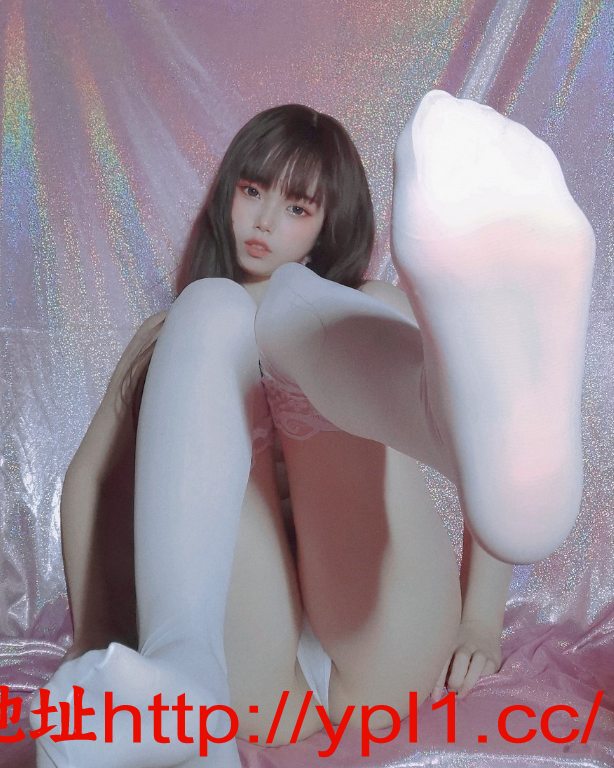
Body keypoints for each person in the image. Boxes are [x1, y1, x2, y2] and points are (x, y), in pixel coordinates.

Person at [31, 91, 595, 768]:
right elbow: (89, 479)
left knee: (327, 316)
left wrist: (480, 620)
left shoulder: (361, 313)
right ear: (227, 194)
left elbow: (492, 430)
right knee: (208, 311)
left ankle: (508, 484)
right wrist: (91, 637)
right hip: (249, 679)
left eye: (298, 208)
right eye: (252, 191)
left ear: (329, 226)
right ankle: (179, 668)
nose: (265, 221)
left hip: (382, 635)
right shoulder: (172, 335)